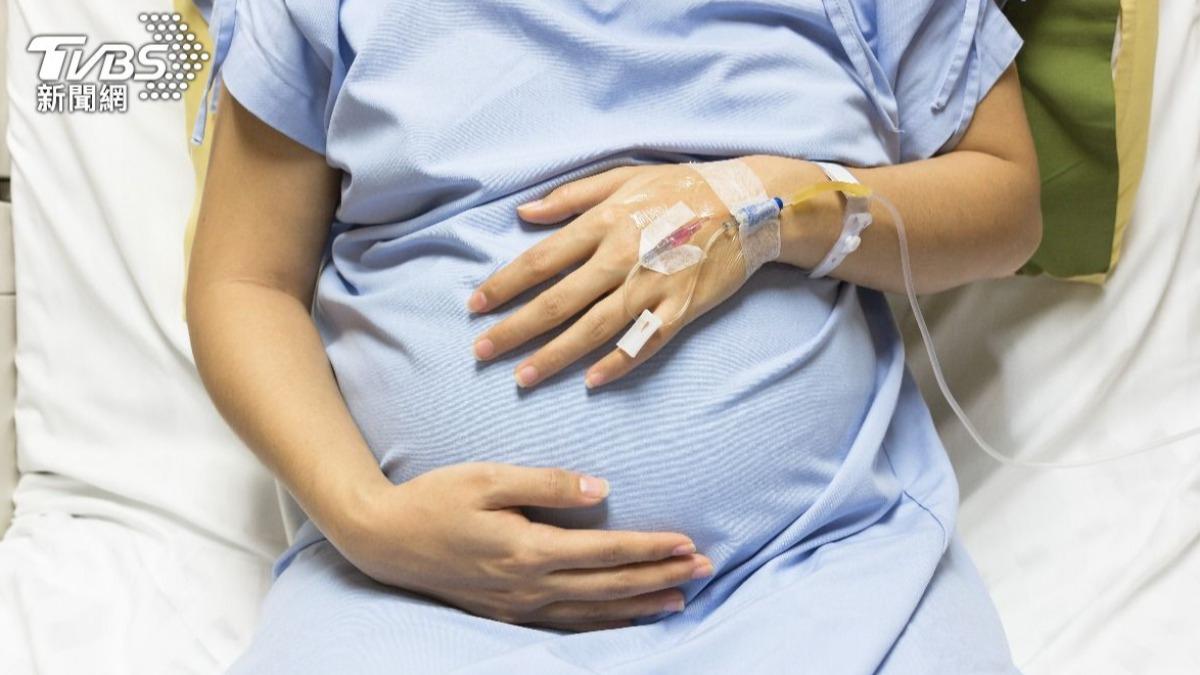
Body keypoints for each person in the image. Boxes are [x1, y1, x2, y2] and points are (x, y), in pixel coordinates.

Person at [186, 0, 1041, 672]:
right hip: (422, 602)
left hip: (824, 571)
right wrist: (368, 520)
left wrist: (767, 205)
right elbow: (244, 280)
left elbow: (1006, 207)